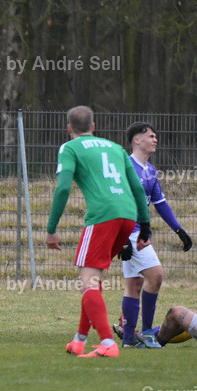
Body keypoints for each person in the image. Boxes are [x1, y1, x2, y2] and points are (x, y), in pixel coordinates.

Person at [45, 105, 151, 358]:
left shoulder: (69, 147)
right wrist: (145, 225)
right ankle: (80, 339)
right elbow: (137, 188)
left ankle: (107, 342)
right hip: (128, 216)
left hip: (103, 216)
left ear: (69, 128)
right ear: (93, 127)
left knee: (87, 281)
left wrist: (51, 229)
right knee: (92, 278)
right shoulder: (115, 147)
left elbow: (62, 189)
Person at [114, 122, 193, 349]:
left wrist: (179, 229)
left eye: (156, 136)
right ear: (136, 140)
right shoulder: (125, 166)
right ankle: (147, 333)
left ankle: (129, 337)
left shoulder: (150, 170)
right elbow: (118, 202)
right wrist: (121, 239)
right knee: (156, 276)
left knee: (135, 285)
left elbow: (160, 204)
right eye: (151, 136)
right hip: (130, 232)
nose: (155, 139)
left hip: (139, 233)